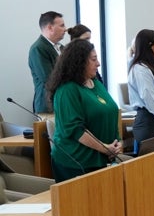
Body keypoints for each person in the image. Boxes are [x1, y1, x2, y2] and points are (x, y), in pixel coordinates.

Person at [46, 39, 121, 182]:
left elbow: (111, 112)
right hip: (77, 161)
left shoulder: (96, 83)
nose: (98, 63)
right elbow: (75, 130)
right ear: (78, 62)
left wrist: (118, 142)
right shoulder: (67, 90)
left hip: (103, 157)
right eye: (93, 59)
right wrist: (105, 148)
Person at [29, 11, 67, 114]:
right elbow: (49, 79)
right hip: (48, 106)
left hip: (62, 103)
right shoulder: (38, 48)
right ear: (50, 27)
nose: (65, 29)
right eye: (62, 26)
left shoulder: (62, 48)